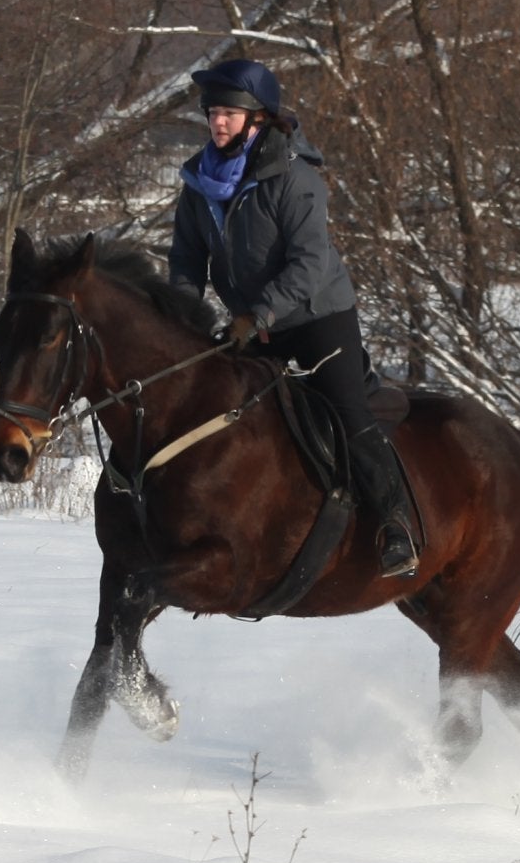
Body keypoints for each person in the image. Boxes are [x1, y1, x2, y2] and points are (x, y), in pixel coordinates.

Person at [165, 56, 420, 578]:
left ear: (259, 120)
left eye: (229, 115)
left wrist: (258, 313)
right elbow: (187, 260)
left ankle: (396, 525)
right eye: (212, 113)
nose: (217, 122)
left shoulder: (295, 179)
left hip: (315, 318)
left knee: (347, 412)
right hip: (250, 324)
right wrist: (180, 315)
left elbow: (310, 263)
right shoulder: (198, 183)